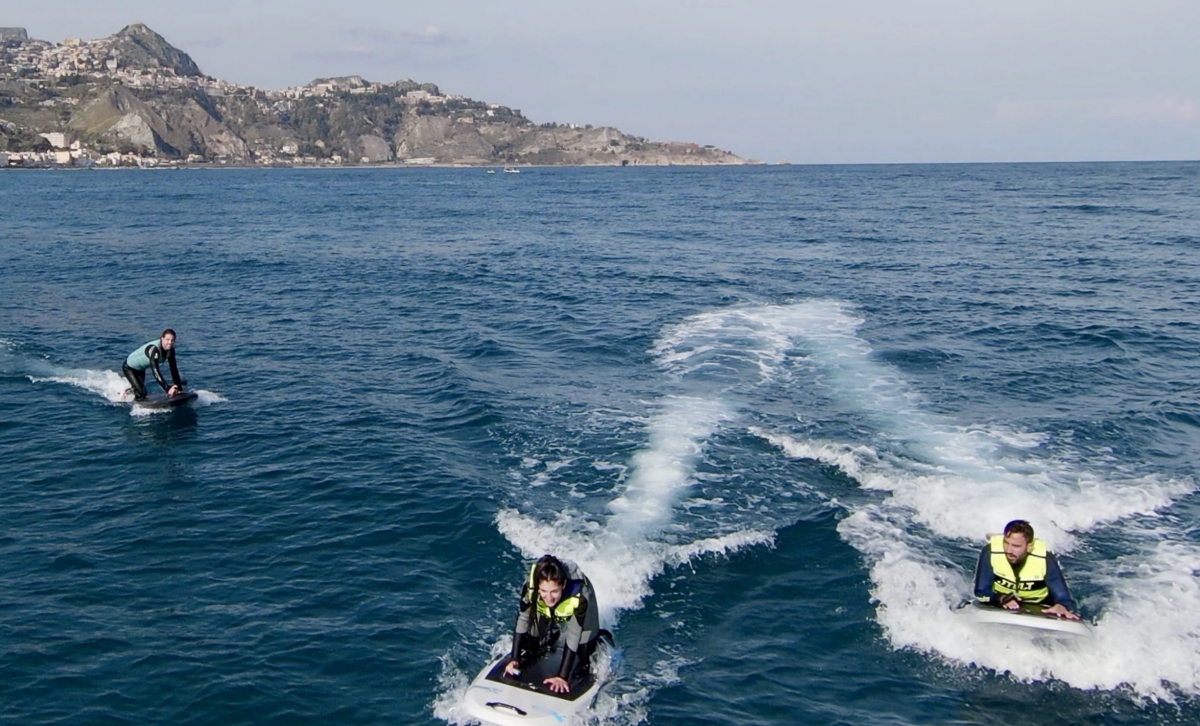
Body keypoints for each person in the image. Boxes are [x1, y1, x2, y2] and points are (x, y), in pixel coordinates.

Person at [503, 554, 601, 694]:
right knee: (530, 642)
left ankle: (596, 639)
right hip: (546, 601)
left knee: (584, 654)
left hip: (582, 608)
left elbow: (574, 634)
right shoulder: (530, 587)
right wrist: (515, 658)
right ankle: (552, 632)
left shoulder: (580, 595)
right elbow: (523, 620)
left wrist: (562, 677)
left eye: (554, 591)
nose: (549, 597)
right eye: (543, 591)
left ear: (563, 585)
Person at [974, 519, 1080, 621]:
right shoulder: (991, 552)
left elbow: (1063, 598)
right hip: (1000, 600)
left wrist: (1061, 606)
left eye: (1016, 546)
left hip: (1039, 605)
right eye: (1006, 543)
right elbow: (981, 593)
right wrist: (1002, 599)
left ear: (1029, 547)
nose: (1008, 550)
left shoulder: (1045, 560)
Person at [122, 329, 185, 401]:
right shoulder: (154, 349)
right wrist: (167, 388)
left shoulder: (170, 350)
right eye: (167, 339)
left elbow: (173, 369)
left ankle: (124, 393)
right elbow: (156, 372)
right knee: (142, 393)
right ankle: (136, 406)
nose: (170, 342)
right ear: (162, 338)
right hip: (130, 367)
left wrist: (179, 388)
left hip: (141, 368)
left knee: (139, 388)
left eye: (172, 340)